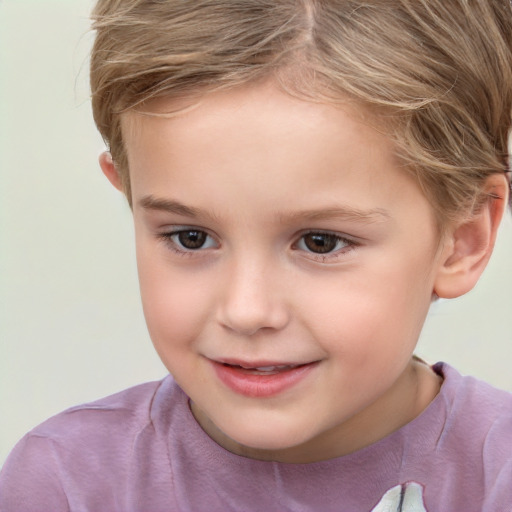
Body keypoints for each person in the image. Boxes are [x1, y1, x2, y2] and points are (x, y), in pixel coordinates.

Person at [1, 1, 512, 510]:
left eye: (320, 242)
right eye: (191, 237)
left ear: (462, 239)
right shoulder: (65, 485)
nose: (246, 311)